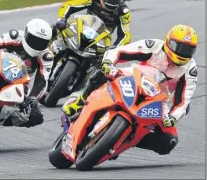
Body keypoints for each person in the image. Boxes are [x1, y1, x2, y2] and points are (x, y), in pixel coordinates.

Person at [63, 24, 198, 155]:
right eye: (179, 48)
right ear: (169, 43)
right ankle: (80, 101)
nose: (183, 53)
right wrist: (108, 63)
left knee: (168, 141)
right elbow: (120, 51)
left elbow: (183, 102)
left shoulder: (189, 69)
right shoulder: (154, 46)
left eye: (188, 50)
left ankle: (121, 140)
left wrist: (173, 117)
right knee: (101, 73)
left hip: (159, 100)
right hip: (134, 78)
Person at [55, 0, 131, 46]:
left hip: (104, 36)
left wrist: (116, 47)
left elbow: (125, 35)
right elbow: (70, 5)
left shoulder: (124, 12)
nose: (112, 3)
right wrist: (62, 18)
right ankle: (48, 50)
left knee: (106, 58)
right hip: (84, 27)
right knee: (59, 27)